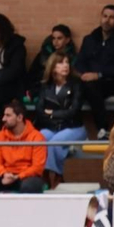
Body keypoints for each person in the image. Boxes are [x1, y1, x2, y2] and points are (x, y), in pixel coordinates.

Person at [74, 3, 114, 136]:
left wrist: (98, 74)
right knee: (79, 87)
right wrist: (84, 74)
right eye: (105, 16)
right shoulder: (90, 39)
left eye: (112, 17)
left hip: (113, 81)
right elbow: (80, 61)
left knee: (89, 87)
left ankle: (102, 128)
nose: (107, 20)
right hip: (88, 81)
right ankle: (76, 128)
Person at [35, 54, 87, 184]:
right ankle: (44, 173)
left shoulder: (76, 84)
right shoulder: (46, 86)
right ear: (52, 67)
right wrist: (55, 116)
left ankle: (57, 175)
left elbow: (74, 112)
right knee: (40, 138)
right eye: (60, 63)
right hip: (52, 126)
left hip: (73, 126)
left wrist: (52, 113)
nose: (65, 65)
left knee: (55, 142)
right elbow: (40, 111)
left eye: (67, 62)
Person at [0, 102, 47, 193]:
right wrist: (4, 173)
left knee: (29, 187)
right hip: (5, 175)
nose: (3, 119)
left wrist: (18, 176)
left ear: (20, 118)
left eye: (8, 115)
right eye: (4, 115)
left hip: (28, 176)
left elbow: (37, 167)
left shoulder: (37, 137)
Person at [27, 23, 76, 95]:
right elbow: (32, 73)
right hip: (42, 86)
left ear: (67, 40)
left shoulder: (72, 56)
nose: (55, 42)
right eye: (53, 38)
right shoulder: (44, 53)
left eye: (59, 38)